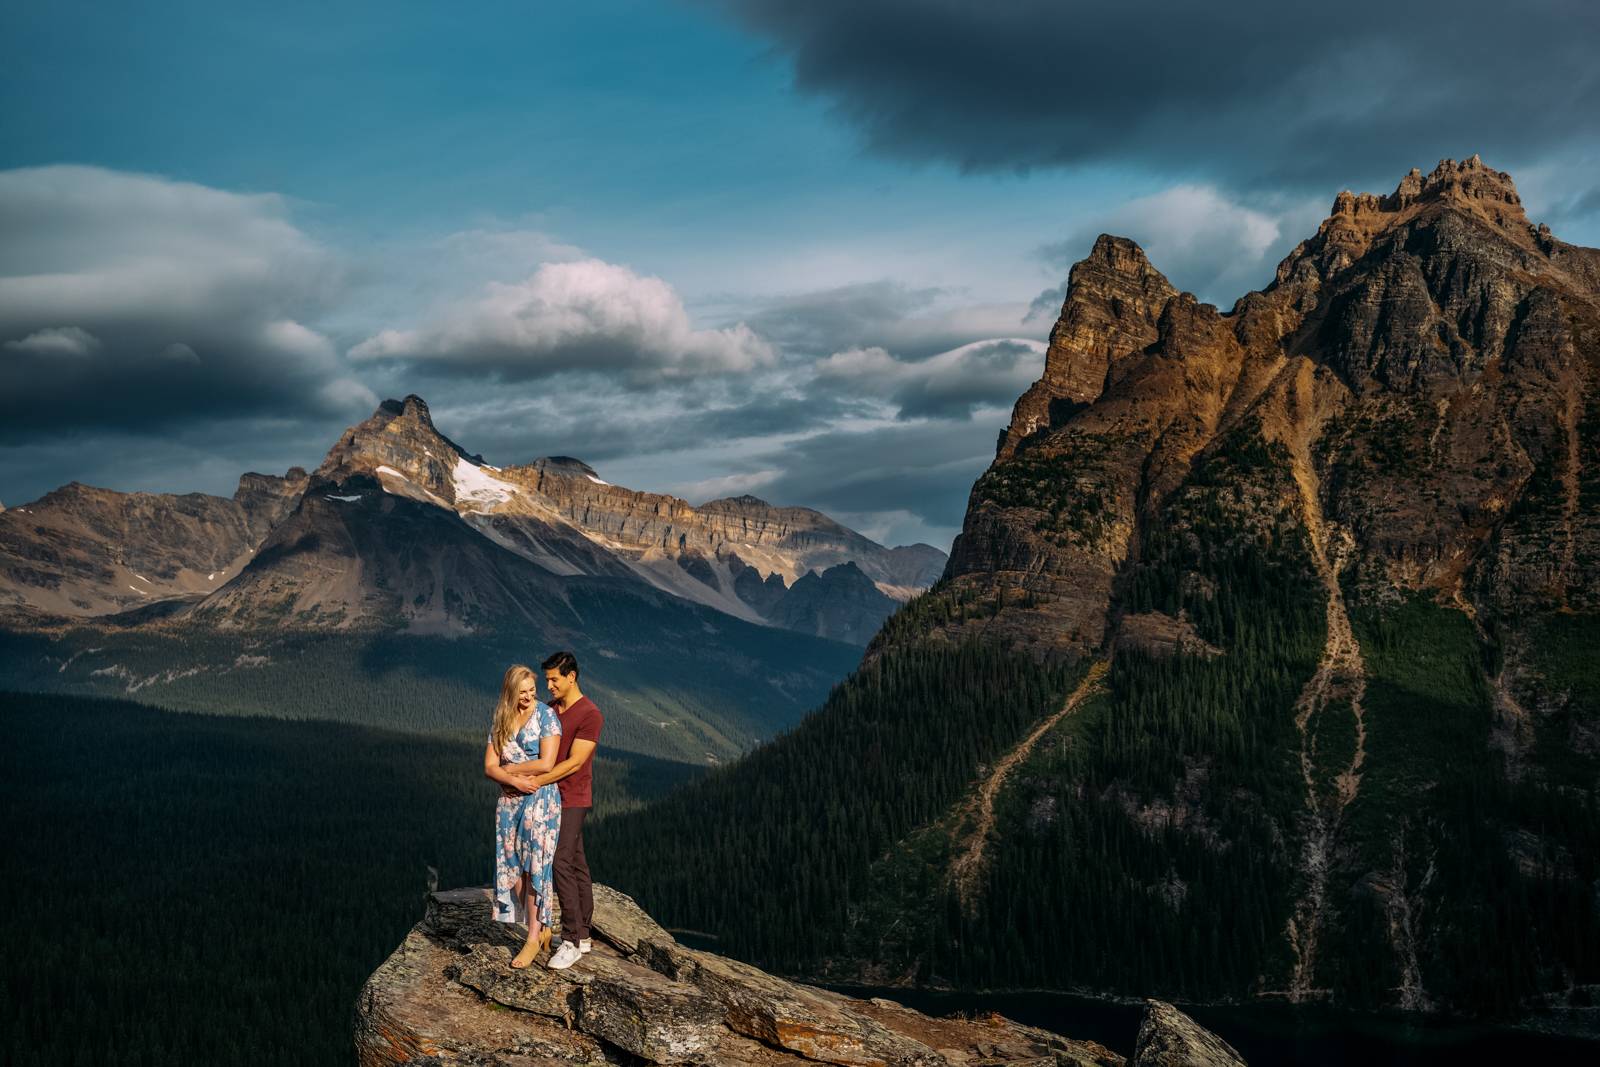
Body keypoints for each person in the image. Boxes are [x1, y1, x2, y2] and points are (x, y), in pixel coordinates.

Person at [518, 650, 604, 971]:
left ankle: (569, 940)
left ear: (572, 677)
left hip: (573, 798)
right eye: (547, 679)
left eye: (554, 679)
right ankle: (583, 934)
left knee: (559, 861)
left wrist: (536, 779)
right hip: (552, 799)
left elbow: (575, 762)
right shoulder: (551, 709)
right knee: (578, 862)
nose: (549, 685)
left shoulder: (590, 714)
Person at [482, 664, 562, 969]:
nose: (528, 696)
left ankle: (532, 937)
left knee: (533, 866)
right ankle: (539, 926)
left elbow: (546, 763)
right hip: (509, 800)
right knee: (512, 866)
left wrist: (509, 769)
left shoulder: (546, 716)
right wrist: (512, 779)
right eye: (522, 691)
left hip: (540, 799)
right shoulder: (501, 719)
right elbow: (489, 766)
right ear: (511, 692)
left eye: (532, 690)